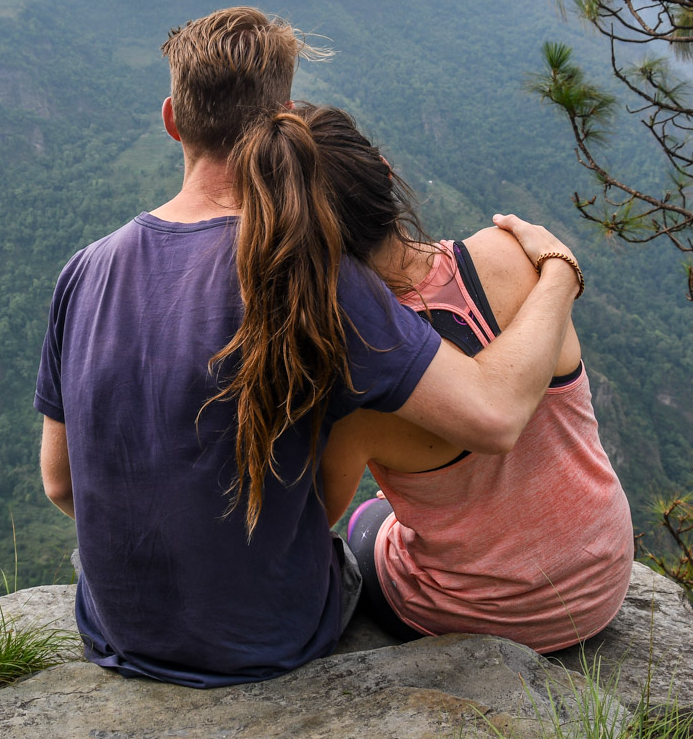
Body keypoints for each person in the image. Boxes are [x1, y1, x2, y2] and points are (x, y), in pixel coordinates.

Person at [35, 7, 582, 687]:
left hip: (115, 631)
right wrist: (560, 270)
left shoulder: (84, 270)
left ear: (173, 118)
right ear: (286, 117)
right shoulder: (309, 275)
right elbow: (494, 417)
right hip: (272, 637)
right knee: (365, 526)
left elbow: (59, 483)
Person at [230, 103, 632, 652]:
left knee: (368, 520)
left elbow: (312, 517)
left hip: (488, 617)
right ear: (387, 172)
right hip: (602, 583)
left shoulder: (359, 376)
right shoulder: (517, 255)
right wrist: (562, 268)